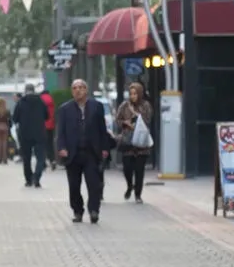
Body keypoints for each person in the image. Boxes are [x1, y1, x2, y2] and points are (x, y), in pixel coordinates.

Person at [57, 79, 113, 223]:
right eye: (75, 88)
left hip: (91, 152)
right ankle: (77, 211)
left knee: (94, 184)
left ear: (86, 90)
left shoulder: (96, 107)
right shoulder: (65, 109)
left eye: (81, 87)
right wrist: (62, 148)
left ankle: (94, 210)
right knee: (74, 186)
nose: (78, 90)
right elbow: (61, 132)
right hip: (73, 153)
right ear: (72, 91)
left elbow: (102, 130)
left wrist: (105, 148)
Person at [116, 81, 154, 204]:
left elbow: (148, 120)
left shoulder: (146, 105)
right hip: (128, 141)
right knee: (127, 168)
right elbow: (118, 119)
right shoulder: (124, 105)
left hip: (141, 143)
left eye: (135, 93)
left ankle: (138, 194)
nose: (133, 96)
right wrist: (125, 123)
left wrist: (138, 117)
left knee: (139, 171)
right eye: (131, 93)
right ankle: (129, 185)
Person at [12, 83, 48, 188]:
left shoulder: (21, 103)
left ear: (25, 91)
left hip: (25, 133)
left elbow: (15, 118)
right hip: (39, 133)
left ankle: (28, 180)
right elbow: (47, 116)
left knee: (26, 158)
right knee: (40, 158)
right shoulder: (41, 102)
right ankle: (37, 177)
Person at [39, 89, 57, 171]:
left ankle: (43, 163)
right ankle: (52, 160)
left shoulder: (40, 99)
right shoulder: (52, 99)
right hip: (51, 125)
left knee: (42, 144)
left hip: (42, 125)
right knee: (50, 144)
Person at [0, 97, 12, 164]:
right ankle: (5, 159)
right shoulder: (7, 110)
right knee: (5, 143)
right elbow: (9, 120)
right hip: (5, 127)